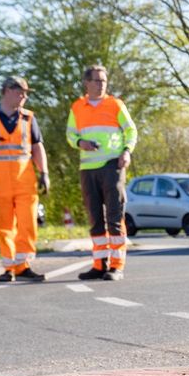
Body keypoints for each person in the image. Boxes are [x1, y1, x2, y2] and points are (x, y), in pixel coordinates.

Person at [0, 76, 50, 282]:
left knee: (28, 223)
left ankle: (23, 266)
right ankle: (9, 267)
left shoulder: (28, 118)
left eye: (26, 93)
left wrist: (44, 173)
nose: (24, 96)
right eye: (20, 92)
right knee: (3, 224)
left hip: (25, 180)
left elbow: (37, 147)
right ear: (7, 91)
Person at [67, 65, 137, 281]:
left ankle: (116, 266)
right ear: (87, 83)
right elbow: (70, 134)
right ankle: (99, 265)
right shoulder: (77, 107)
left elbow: (131, 130)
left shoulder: (115, 104)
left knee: (114, 217)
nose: (101, 84)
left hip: (112, 166)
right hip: (88, 169)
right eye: (97, 80)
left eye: (104, 80)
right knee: (95, 219)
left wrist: (127, 151)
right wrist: (80, 142)